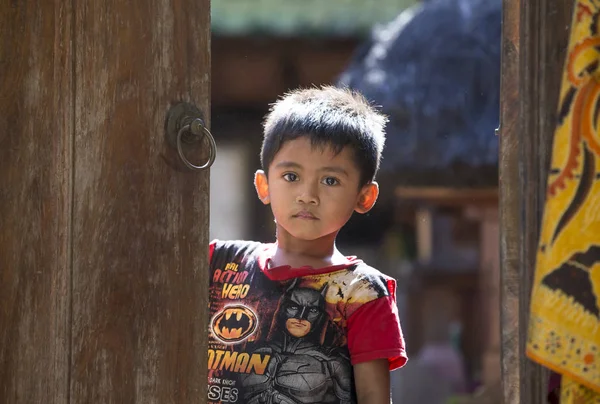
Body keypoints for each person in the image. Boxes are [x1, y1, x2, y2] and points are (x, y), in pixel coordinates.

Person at [207, 86, 407, 404]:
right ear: (264, 185)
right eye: (291, 176)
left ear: (363, 197)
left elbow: (374, 397)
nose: (307, 195)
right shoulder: (218, 263)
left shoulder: (363, 294)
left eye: (330, 180)